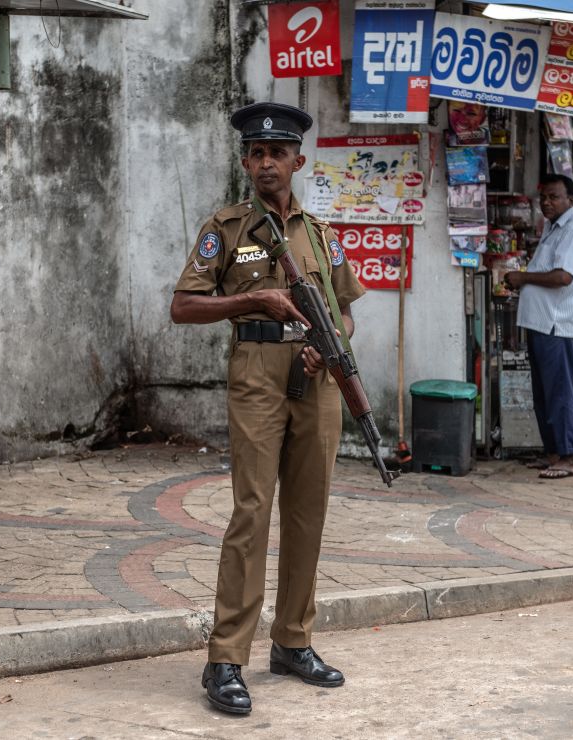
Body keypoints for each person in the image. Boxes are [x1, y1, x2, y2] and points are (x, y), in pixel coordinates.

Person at [169, 102, 365, 715]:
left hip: (317, 379)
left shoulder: (322, 234)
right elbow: (183, 306)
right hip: (255, 375)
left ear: (297, 161)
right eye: (255, 153)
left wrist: (329, 346)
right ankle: (226, 658)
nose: (265, 164)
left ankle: (293, 642)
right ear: (246, 161)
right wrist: (254, 301)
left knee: (308, 514)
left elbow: (347, 309)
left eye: (276, 154)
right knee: (251, 513)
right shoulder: (224, 229)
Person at [504, 174, 573, 480]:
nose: (547, 202)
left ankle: (567, 458)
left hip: (558, 323)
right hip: (542, 322)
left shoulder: (572, 231)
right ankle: (553, 453)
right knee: (543, 392)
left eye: (554, 197)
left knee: (559, 391)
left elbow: (562, 277)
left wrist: (522, 278)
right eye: (544, 197)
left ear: (571, 200)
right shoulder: (555, 228)